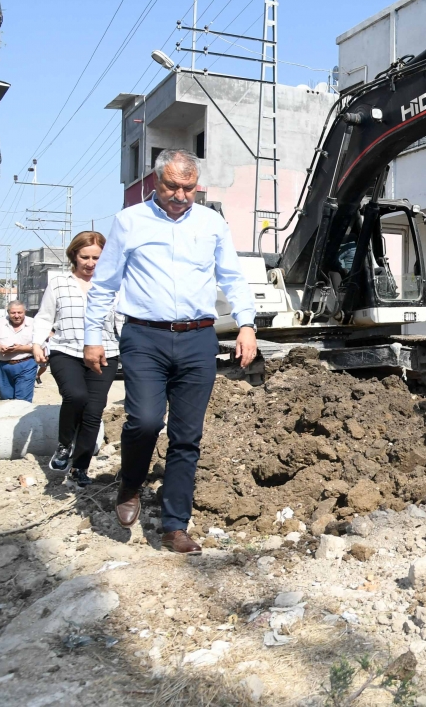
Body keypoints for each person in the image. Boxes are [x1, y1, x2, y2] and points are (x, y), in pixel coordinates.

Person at [84, 149, 257, 555]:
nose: (180, 195)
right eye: (172, 186)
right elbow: (105, 285)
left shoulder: (212, 224)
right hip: (145, 337)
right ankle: (130, 483)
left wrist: (247, 324)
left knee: (187, 436)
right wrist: (93, 337)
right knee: (145, 421)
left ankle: (174, 526)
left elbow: (232, 277)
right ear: (155, 181)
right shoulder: (129, 221)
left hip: (198, 339)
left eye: (188, 188)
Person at [33, 230, 119, 488]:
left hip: (106, 352)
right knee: (76, 396)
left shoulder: (113, 285)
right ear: (74, 256)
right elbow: (45, 317)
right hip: (66, 351)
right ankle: (64, 445)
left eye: (96, 258)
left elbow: (123, 320)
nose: (90, 263)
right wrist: (37, 343)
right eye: (85, 257)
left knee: (93, 412)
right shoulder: (59, 283)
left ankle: (80, 468)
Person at [0, 301, 37, 401]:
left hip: (26, 364)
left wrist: (21, 348)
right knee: (5, 398)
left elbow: (42, 344)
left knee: (22, 399)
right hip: (4, 366)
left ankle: (22, 410)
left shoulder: (34, 323)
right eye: (13, 313)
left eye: (19, 312)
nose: (16, 316)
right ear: (8, 312)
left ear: (24, 312)